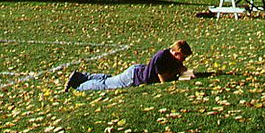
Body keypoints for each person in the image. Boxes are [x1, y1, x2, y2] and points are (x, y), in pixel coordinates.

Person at [64, 39, 194, 92]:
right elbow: (164, 81)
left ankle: (83, 76)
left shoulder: (169, 57)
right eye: (182, 57)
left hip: (136, 71)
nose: (183, 60)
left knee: (109, 79)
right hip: (134, 78)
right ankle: (79, 85)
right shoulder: (162, 58)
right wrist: (178, 73)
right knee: (106, 84)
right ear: (176, 53)